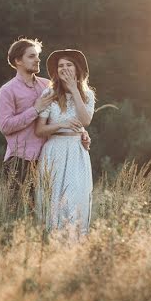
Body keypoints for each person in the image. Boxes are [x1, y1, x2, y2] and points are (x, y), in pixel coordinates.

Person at [0, 38, 90, 210]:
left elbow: (65, 115)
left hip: (50, 158)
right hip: (21, 159)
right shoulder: (7, 91)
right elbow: (5, 126)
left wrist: (81, 132)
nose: (38, 60)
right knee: (18, 211)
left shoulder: (47, 85)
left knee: (46, 211)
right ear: (18, 61)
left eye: (37, 56)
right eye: (32, 56)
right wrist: (35, 110)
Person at [35, 49, 95, 235]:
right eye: (61, 65)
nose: (64, 68)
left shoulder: (87, 94)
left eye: (69, 65)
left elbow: (85, 121)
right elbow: (39, 130)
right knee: (53, 199)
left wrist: (75, 89)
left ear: (77, 69)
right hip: (55, 150)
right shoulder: (49, 93)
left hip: (77, 151)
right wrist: (63, 124)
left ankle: (74, 245)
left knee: (75, 199)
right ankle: (50, 241)